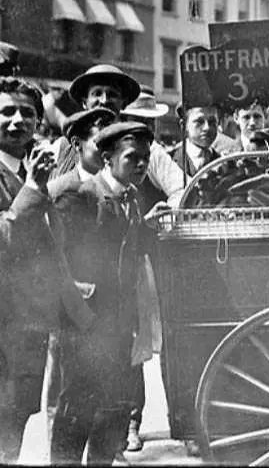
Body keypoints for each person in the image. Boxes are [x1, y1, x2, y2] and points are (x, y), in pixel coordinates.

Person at [0, 77, 93, 463]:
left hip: (26, 325)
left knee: (15, 417)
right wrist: (34, 191)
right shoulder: (33, 181)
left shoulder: (31, 172)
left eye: (27, 113)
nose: (17, 121)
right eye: (7, 111)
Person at [50, 122, 154, 465]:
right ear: (107, 158)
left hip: (119, 326)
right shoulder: (80, 197)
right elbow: (56, 263)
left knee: (113, 412)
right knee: (76, 410)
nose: (141, 164)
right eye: (132, 158)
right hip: (84, 326)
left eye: (146, 157)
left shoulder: (132, 199)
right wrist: (82, 317)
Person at [50, 65, 185, 208]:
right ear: (85, 102)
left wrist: (162, 220)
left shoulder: (143, 146)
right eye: (97, 93)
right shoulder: (63, 146)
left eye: (112, 94)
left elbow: (182, 189)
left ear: (124, 103)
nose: (104, 100)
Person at [119, 88, 171, 452]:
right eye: (137, 120)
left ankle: (132, 422)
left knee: (135, 341)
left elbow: (179, 186)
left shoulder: (154, 155)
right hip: (101, 258)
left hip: (141, 255)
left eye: (148, 122)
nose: (143, 127)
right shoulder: (110, 150)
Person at [171, 104, 221, 177]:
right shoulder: (169, 161)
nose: (207, 127)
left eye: (212, 121)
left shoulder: (226, 163)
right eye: (199, 121)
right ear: (184, 125)